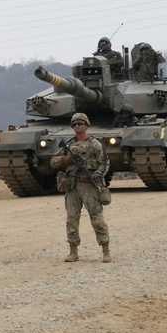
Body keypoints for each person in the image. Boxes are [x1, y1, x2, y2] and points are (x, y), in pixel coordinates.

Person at [49, 112, 111, 263]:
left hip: (89, 185)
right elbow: (53, 162)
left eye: (80, 123)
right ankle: (73, 251)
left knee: (96, 217)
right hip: (72, 185)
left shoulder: (94, 144)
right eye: (74, 124)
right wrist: (65, 159)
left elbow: (104, 163)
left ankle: (106, 250)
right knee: (71, 219)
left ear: (86, 125)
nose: (77, 126)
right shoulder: (69, 145)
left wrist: (95, 176)